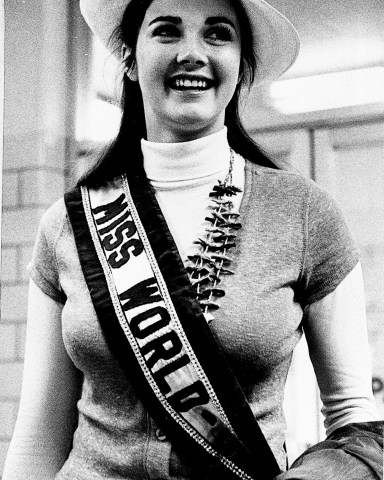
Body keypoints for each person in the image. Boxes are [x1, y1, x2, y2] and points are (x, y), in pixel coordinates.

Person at [3, 0, 382, 479]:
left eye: (218, 34)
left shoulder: (305, 213)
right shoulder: (67, 223)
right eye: (167, 31)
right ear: (128, 58)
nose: (193, 53)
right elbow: (39, 437)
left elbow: (356, 421)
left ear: (240, 64)